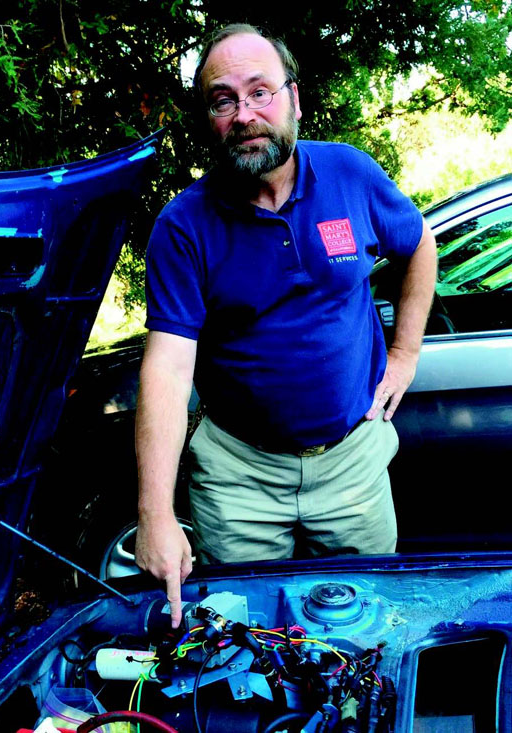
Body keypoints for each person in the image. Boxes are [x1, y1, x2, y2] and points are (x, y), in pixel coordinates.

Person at [135, 23, 437, 627]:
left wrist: (405, 354)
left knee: (367, 633)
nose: (245, 114)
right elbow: (167, 368)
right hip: (238, 479)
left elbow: (419, 244)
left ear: (294, 99)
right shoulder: (182, 227)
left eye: (260, 92)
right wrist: (156, 515)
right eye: (223, 100)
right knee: (246, 639)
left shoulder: (350, 175)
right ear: (209, 120)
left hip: (352, 463)